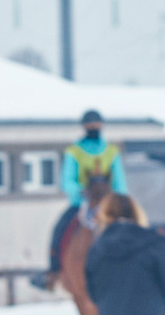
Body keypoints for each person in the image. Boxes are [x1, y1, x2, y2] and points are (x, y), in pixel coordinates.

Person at [45, 109, 129, 280]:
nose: (93, 128)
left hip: (108, 205)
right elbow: (66, 181)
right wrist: (80, 192)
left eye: (96, 125)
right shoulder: (74, 152)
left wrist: (116, 200)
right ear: (84, 127)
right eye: (90, 125)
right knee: (60, 229)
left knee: (132, 227)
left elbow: (120, 183)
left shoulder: (111, 152)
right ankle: (54, 271)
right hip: (81, 203)